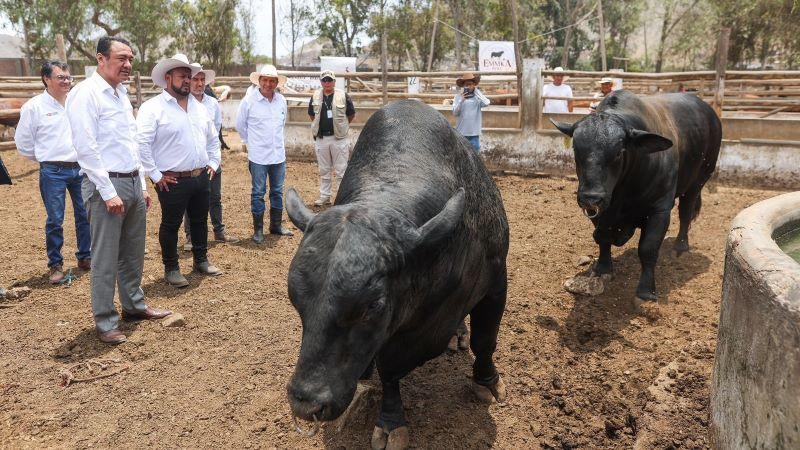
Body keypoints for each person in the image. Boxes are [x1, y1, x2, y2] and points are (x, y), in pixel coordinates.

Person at [67, 36, 171, 345]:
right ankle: (105, 320)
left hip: (131, 182)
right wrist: (108, 190)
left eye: (130, 59)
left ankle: (134, 306)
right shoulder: (86, 94)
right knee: (105, 256)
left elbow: (130, 143)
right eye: (121, 58)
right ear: (101, 59)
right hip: (106, 185)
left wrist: (140, 184)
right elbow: (86, 148)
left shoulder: (121, 94)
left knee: (132, 251)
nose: (128, 65)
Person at [136, 54, 223, 288]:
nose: (187, 80)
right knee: (171, 223)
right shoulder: (152, 108)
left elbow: (213, 138)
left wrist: (214, 163)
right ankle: (171, 268)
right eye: (182, 76)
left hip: (200, 174)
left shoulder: (200, 107)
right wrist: (155, 175)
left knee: (199, 220)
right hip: (171, 179)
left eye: (189, 76)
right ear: (168, 78)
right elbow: (141, 143)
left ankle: (201, 260)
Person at [15, 60, 91, 284]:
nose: (66, 81)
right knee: (55, 219)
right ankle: (55, 264)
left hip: (79, 168)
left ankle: (85, 256)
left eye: (68, 77)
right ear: (46, 79)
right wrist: (45, 158)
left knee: (85, 214)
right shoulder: (34, 107)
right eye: (61, 77)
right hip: (53, 170)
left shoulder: (77, 103)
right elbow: (24, 143)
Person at [182, 64, 238, 252]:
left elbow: (215, 131)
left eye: (202, 80)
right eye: (196, 80)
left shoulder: (212, 103)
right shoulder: (184, 102)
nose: (199, 84)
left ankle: (219, 230)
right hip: (192, 158)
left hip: (210, 156)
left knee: (215, 196)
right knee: (191, 199)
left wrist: (215, 157)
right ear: (189, 81)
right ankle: (190, 236)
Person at [236, 64, 293, 243]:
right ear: (259, 81)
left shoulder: (281, 100)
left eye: (272, 81)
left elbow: (282, 122)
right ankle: (258, 230)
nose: (268, 84)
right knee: (258, 192)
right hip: (259, 155)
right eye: (265, 80)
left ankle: (275, 225)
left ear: (276, 82)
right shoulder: (249, 101)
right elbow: (240, 125)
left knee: (277, 191)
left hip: (278, 155)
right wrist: (250, 143)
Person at [307, 70, 355, 206]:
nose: (327, 83)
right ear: (321, 82)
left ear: (334, 82)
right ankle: (325, 196)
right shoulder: (315, 95)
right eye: (324, 80)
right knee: (324, 170)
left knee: (341, 170)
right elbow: (312, 115)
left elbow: (351, 115)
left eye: (329, 80)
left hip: (338, 138)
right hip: (322, 138)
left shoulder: (343, 95)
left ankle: (341, 198)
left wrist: (341, 127)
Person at [452, 72, 490, 152]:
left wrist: (476, 91)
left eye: (471, 84)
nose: (469, 86)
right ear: (463, 86)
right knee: (461, 156)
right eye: (467, 84)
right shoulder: (458, 97)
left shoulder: (478, 98)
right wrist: (461, 100)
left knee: (475, 157)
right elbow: (455, 113)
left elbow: (487, 103)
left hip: (474, 133)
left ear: (474, 85)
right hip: (461, 132)